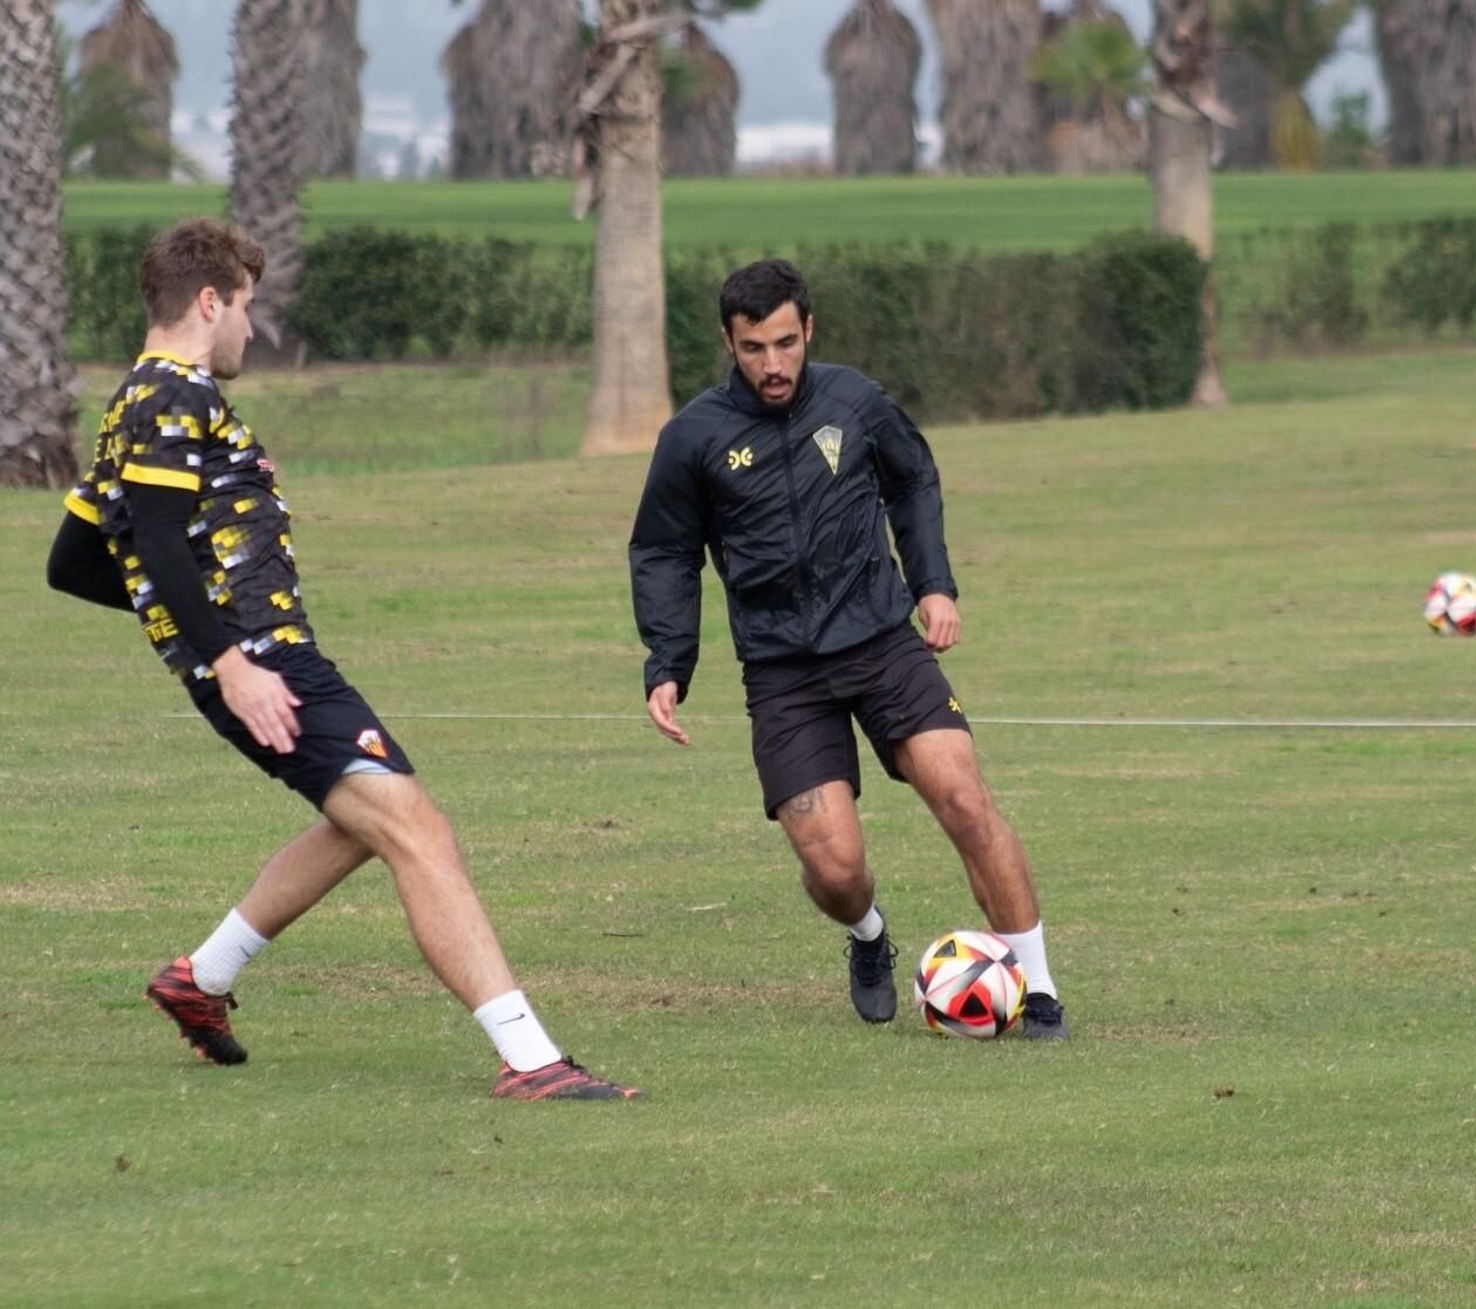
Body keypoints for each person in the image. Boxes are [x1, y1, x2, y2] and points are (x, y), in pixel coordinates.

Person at [47, 219, 638, 1101]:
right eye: (246, 307)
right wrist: (225, 659)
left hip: (261, 660)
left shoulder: (132, 403)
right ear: (209, 302)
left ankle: (202, 978)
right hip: (265, 665)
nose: (251, 328)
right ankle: (531, 1060)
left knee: (367, 823)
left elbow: (76, 562)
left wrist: (188, 634)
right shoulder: (173, 394)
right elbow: (160, 545)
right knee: (416, 831)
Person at [628, 258, 1067, 1039]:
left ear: (809, 329)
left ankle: (1038, 993)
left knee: (965, 800)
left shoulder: (854, 400)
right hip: (783, 672)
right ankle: (868, 933)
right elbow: (664, 550)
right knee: (834, 868)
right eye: (754, 348)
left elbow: (913, 478)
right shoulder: (693, 437)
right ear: (728, 342)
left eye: (786, 343)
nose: (773, 364)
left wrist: (933, 584)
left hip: (882, 642)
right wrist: (669, 664)